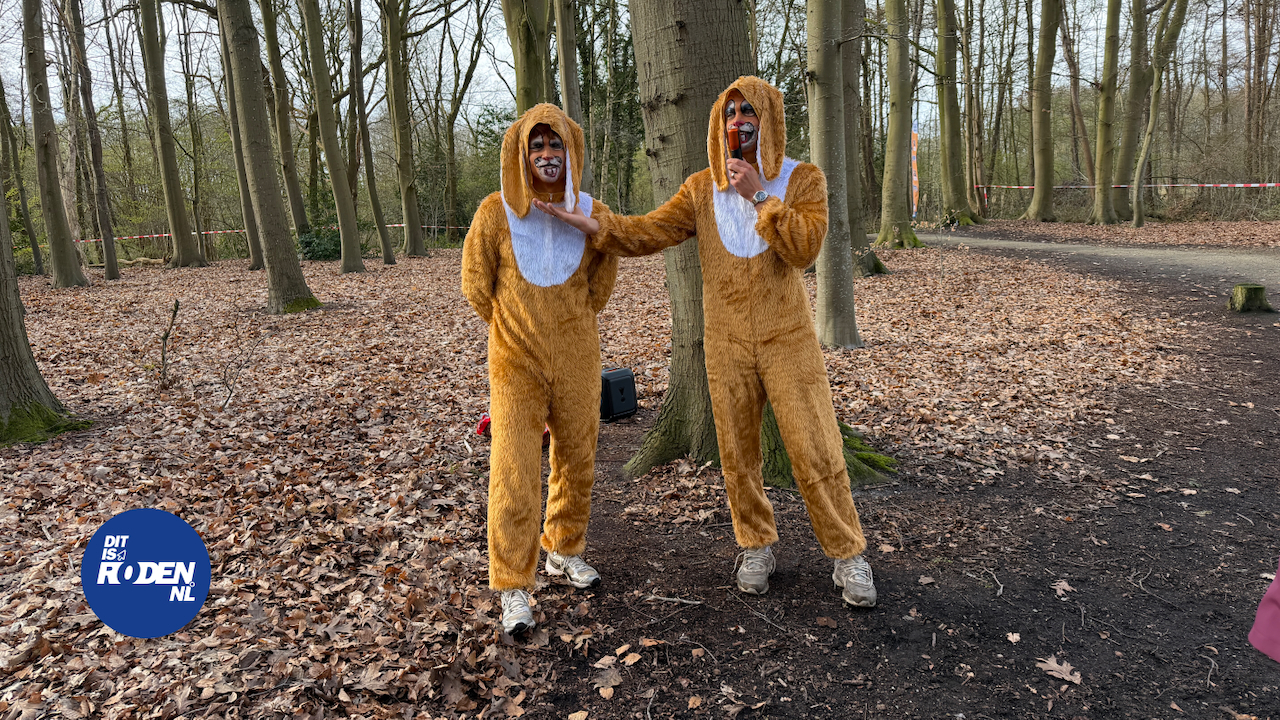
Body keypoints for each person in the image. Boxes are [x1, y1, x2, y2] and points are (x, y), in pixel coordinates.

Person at [534, 76, 876, 608]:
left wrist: (758, 194)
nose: (738, 121)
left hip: (788, 339)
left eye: (748, 111)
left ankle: (847, 553)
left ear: (768, 119)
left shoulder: (802, 179)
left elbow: (805, 250)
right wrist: (593, 224)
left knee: (815, 446)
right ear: (718, 124)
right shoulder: (700, 189)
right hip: (725, 342)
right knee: (737, 453)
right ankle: (755, 545)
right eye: (729, 113)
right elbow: (647, 231)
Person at [461, 104, 618, 634]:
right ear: (522, 153)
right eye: (537, 145)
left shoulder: (593, 212)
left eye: (556, 145)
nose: (547, 155)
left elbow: (600, 285)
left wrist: (570, 326)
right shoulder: (495, 212)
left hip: (578, 356)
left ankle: (564, 548)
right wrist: (513, 328)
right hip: (516, 363)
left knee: (577, 454)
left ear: (570, 151)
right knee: (514, 466)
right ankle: (511, 584)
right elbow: (475, 284)